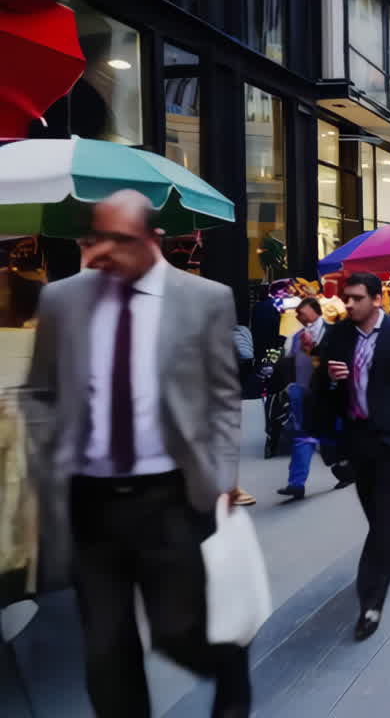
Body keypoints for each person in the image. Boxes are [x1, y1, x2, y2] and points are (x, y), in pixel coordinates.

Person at [24, 189, 251, 716]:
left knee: (178, 630)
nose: (106, 251)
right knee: (105, 649)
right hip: (88, 501)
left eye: (120, 240)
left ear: (154, 240)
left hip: (170, 495)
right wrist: (46, 460)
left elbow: (223, 395)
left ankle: (230, 667)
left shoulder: (205, 298)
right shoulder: (61, 300)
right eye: (97, 238)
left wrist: (221, 475)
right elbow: (41, 392)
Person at [311, 272, 390, 641]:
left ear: (377, 300)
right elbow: (320, 391)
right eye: (346, 297)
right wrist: (331, 378)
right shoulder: (338, 335)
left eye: (356, 298)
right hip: (357, 439)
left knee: (383, 517)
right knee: (375, 513)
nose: (348, 304)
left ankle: (370, 601)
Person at [276, 296, 355, 499]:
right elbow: (289, 363)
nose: (298, 316)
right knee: (303, 435)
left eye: (301, 312)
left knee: (327, 435)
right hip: (303, 393)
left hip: (329, 393)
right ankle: (296, 484)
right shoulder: (295, 337)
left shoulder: (334, 332)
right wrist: (289, 386)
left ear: (314, 310)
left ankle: (345, 470)